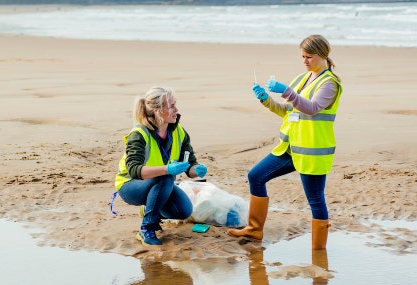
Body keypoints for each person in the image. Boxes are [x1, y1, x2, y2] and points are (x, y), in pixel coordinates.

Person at [227, 35, 343, 250]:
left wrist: (286, 91)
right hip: (290, 148)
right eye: (302, 57)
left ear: (323, 55)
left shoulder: (329, 84)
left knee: (315, 200)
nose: (305, 61)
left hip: (312, 152)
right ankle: (254, 230)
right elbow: (287, 110)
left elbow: (312, 108)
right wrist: (265, 99)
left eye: (309, 57)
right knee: (256, 176)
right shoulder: (302, 78)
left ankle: (319, 251)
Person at [114, 86, 208, 245]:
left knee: (184, 211)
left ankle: (150, 210)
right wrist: (167, 169)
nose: (176, 109)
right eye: (171, 106)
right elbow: (135, 170)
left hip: (160, 183)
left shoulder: (179, 132)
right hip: (129, 185)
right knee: (165, 178)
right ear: (157, 111)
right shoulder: (139, 134)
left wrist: (196, 170)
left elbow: (190, 166)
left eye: (175, 105)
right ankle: (146, 228)